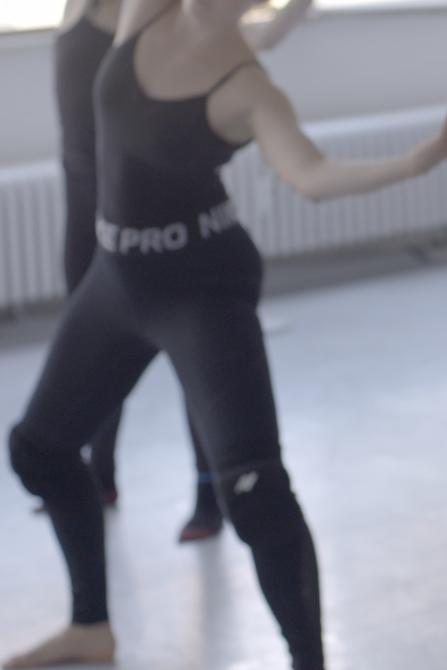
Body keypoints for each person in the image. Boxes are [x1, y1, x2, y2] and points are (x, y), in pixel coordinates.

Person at [4, 0, 447, 667]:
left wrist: (417, 161)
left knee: (255, 495)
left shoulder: (248, 86)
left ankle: (308, 662)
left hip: (202, 286)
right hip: (116, 275)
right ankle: (90, 626)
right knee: (40, 451)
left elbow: (312, 176)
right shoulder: (146, 10)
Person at [52, 0, 313, 543]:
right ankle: (100, 475)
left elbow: (235, 48)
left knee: (195, 364)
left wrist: (294, 10)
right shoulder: (76, 9)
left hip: (158, 214)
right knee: (95, 357)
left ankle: (207, 493)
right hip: (87, 212)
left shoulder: (146, 13)